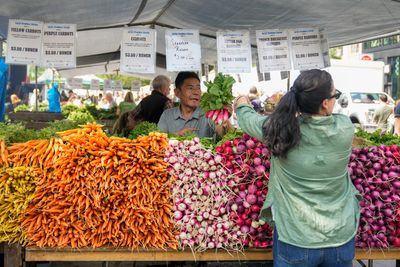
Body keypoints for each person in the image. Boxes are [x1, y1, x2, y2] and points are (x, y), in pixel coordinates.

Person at [234, 69, 360, 267]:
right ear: (325, 103)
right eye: (335, 95)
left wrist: (241, 103)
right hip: (339, 238)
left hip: (295, 238)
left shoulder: (281, 130)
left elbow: (248, 120)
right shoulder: (345, 128)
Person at [158, 71, 231, 138]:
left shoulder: (208, 114)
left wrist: (224, 122)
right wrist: (176, 135)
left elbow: (222, 134)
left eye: (198, 88)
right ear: (177, 92)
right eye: (190, 88)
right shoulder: (167, 115)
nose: (196, 92)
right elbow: (158, 140)